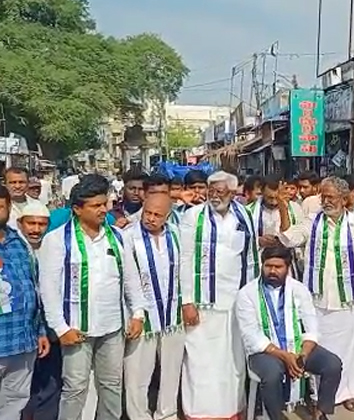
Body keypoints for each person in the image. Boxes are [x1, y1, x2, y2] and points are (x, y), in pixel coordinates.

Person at [38, 174, 146, 420]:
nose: (103, 210)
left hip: (112, 328)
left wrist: (138, 313)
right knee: (75, 388)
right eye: (96, 206)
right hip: (76, 328)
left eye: (105, 203)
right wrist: (61, 328)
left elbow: (130, 278)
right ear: (77, 209)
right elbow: (49, 289)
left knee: (111, 385)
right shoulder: (57, 240)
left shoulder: (117, 237)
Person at [277, 176, 354, 413]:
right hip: (317, 299)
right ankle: (318, 395)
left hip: (348, 301)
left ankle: (350, 392)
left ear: (345, 199)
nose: (325, 201)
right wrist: (283, 206)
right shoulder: (312, 221)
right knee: (317, 347)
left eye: (331, 197)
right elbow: (288, 238)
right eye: (323, 196)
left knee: (352, 348)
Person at [179, 171, 259, 420]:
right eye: (210, 190)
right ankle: (198, 412)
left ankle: (231, 410)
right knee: (199, 359)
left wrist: (252, 300)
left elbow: (251, 258)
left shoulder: (244, 215)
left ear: (233, 192)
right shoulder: (193, 216)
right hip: (202, 302)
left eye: (219, 191)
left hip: (235, 300)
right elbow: (184, 259)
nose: (213, 195)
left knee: (232, 359)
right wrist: (186, 301)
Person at [236, 246, 342, 420]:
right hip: (264, 352)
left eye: (278, 267)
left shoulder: (299, 289)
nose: (272, 271)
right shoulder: (247, 294)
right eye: (268, 266)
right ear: (262, 265)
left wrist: (303, 354)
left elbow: (312, 327)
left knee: (332, 364)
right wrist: (285, 356)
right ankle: (277, 416)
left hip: (298, 346)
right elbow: (251, 335)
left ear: (288, 267)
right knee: (272, 374)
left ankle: (320, 412)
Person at [123, 194, 184, 420]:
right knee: (137, 375)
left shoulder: (177, 235)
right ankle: (138, 416)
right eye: (148, 212)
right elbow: (127, 280)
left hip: (173, 315)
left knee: (171, 371)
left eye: (157, 215)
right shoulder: (128, 237)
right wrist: (135, 313)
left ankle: (167, 414)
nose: (151, 218)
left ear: (168, 215)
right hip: (140, 316)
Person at [0, 185, 50, 420]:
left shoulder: (19, 244)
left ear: (9, 209)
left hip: (22, 342)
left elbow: (32, 287)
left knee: (14, 402)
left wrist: (39, 330)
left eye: (0, 206)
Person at [17, 203, 60, 420]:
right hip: (20, 331)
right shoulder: (13, 250)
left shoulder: (53, 248)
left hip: (50, 329)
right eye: (31, 223)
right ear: (20, 224)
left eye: (41, 224)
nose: (36, 229)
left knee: (50, 384)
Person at [247, 175, 304, 278]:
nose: (274, 202)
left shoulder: (295, 209)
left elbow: (301, 236)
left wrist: (285, 240)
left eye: (276, 198)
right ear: (262, 192)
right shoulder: (248, 212)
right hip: (259, 264)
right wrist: (258, 241)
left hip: (287, 264)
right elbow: (239, 239)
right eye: (270, 198)